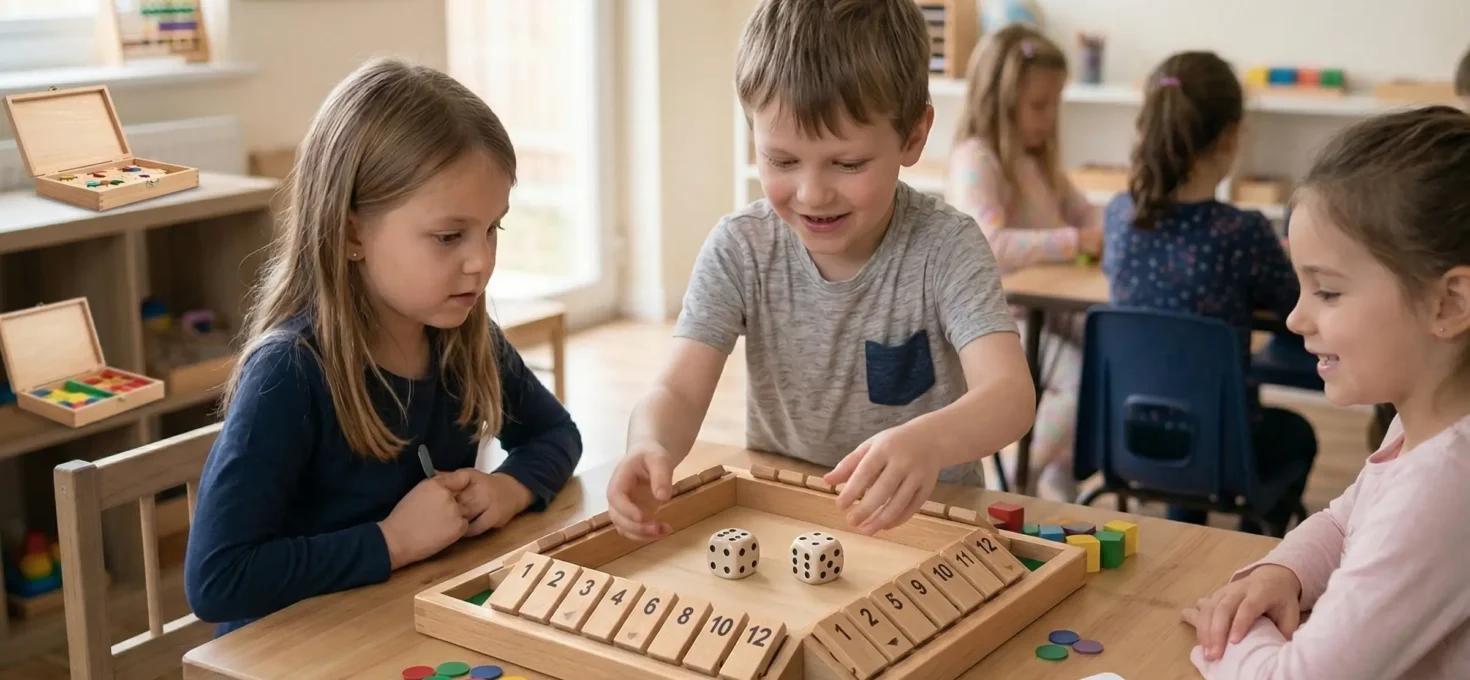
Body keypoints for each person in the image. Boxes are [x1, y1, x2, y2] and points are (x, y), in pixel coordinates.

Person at [606, 0, 1035, 542]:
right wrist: (650, 443)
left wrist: (928, 442)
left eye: (848, 163)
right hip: (787, 514)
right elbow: (680, 392)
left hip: (932, 519)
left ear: (912, 137)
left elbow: (1010, 396)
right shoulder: (741, 247)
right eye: (782, 161)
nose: (812, 194)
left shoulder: (946, 246)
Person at [184, 57, 582, 636]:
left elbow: (555, 434)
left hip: (401, 631)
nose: (482, 262)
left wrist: (509, 488)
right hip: (295, 656)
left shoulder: (464, 340)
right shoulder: (289, 373)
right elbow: (218, 579)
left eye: (494, 228)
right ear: (351, 234)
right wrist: (390, 541)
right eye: (449, 236)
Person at [1181, 106, 1470, 678]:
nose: (1294, 319)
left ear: (1449, 304)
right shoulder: (1426, 422)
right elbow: (1344, 521)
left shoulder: (1442, 487)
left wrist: (1233, 631)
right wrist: (1281, 572)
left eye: (1328, 293)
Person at [1101, 51, 1316, 534]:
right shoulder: (1241, 232)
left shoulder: (1118, 215)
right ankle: (1253, 542)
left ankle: (1188, 530)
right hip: (1221, 444)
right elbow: (1292, 304)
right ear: (1230, 138)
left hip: (1128, 436)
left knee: (1181, 399)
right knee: (1298, 435)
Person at [946, 23, 1102, 500]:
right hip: (1007, 321)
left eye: (1055, 102)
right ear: (999, 100)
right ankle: (1015, 474)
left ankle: (1052, 482)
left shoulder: (1036, 163)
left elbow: (1087, 212)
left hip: (1052, 315)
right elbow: (988, 243)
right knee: (1085, 386)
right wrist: (1075, 241)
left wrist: (1113, 225)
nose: (1049, 117)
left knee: (1113, 364)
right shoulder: (978, 160)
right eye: (1039, 105)